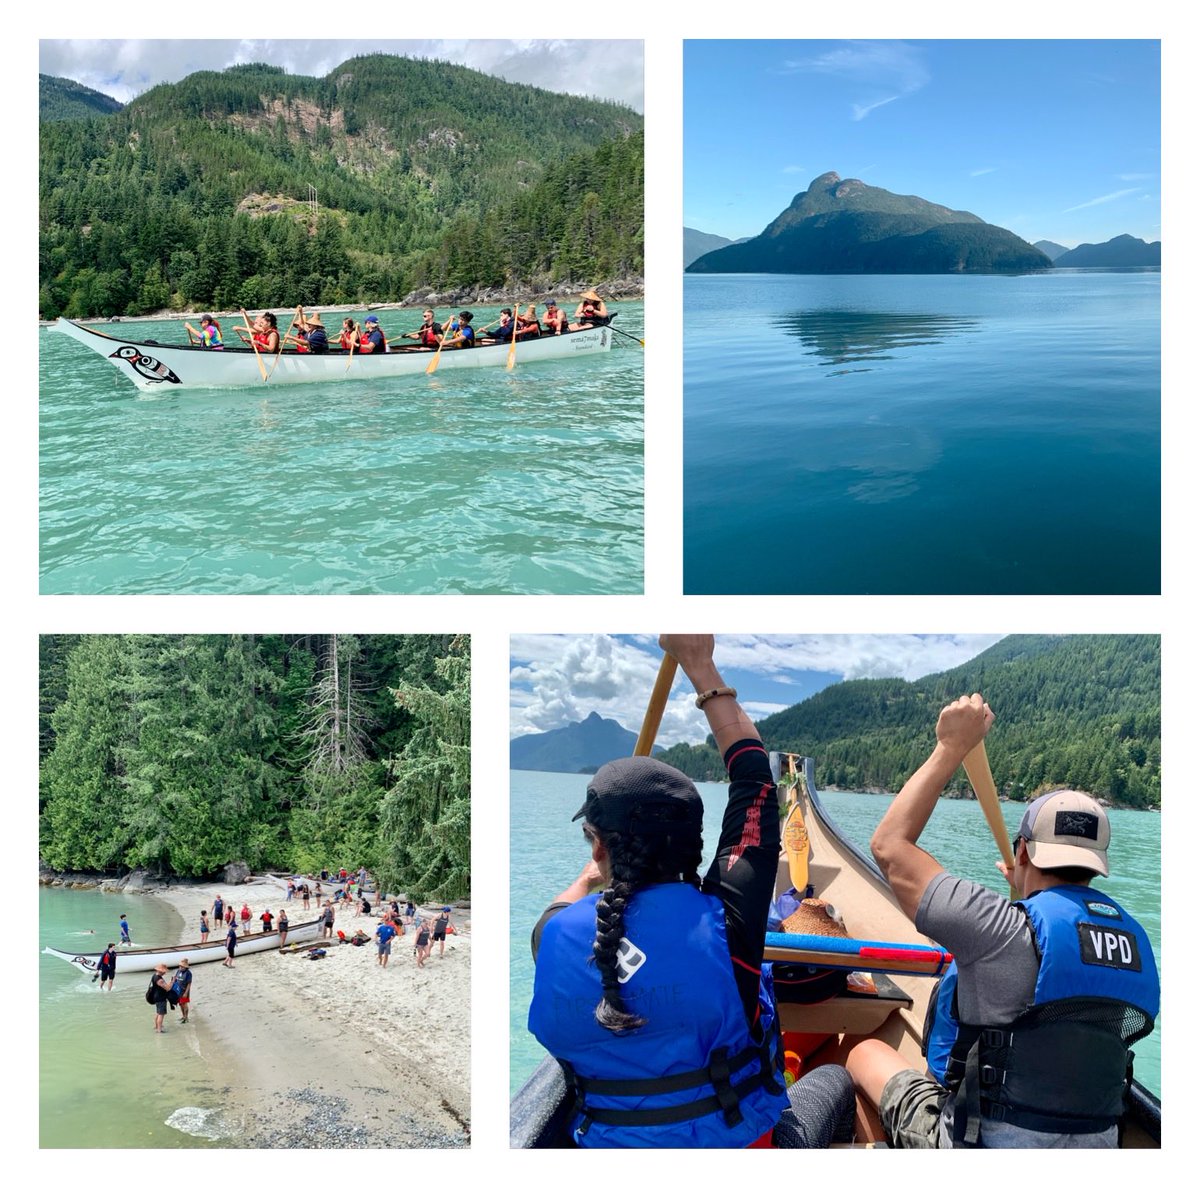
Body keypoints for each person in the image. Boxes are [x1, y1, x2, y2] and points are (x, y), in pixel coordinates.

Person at [528, 634, 855, 1149]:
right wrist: (700, 663)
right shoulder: (728, 921)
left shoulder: (551, 935)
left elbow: (560, 910)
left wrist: (593, 876)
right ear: (692, 844)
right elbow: (755, 781)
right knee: (837, 1080)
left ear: (599, 847)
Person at [845, 695, 1161, 1149]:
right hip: (1097, 1148)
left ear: (1023, 851)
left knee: (862, 1052)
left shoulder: (996, 928)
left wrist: (951, 746)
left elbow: (889, 847)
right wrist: (1027, 894)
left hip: (983, 1147)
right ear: (1096, 865)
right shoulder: (1134, 942)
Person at [149, 963, 172, 1031]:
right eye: (164, 971)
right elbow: (168, 988)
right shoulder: (160, 980)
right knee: (161, 1014)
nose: (165, 973)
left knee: (158, 1013)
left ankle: (156, 1026)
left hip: (156, 997)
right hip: (160, 998)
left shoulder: (154, 975)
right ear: (161, 971)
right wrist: (172, 982)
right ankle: (159, 1030)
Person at [172, 959, 193, 1024]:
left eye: (182, 967)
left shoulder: (188, 973)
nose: (180, 968)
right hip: (178, 990)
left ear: (185, 967)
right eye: (180, 966)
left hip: (184, 991)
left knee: (184, 1004)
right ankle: (183, 1016)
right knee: (180, 1004)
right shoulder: (178, 971)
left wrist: (186, 993)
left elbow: (189, 983)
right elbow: (176, 979)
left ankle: (186, 1017)